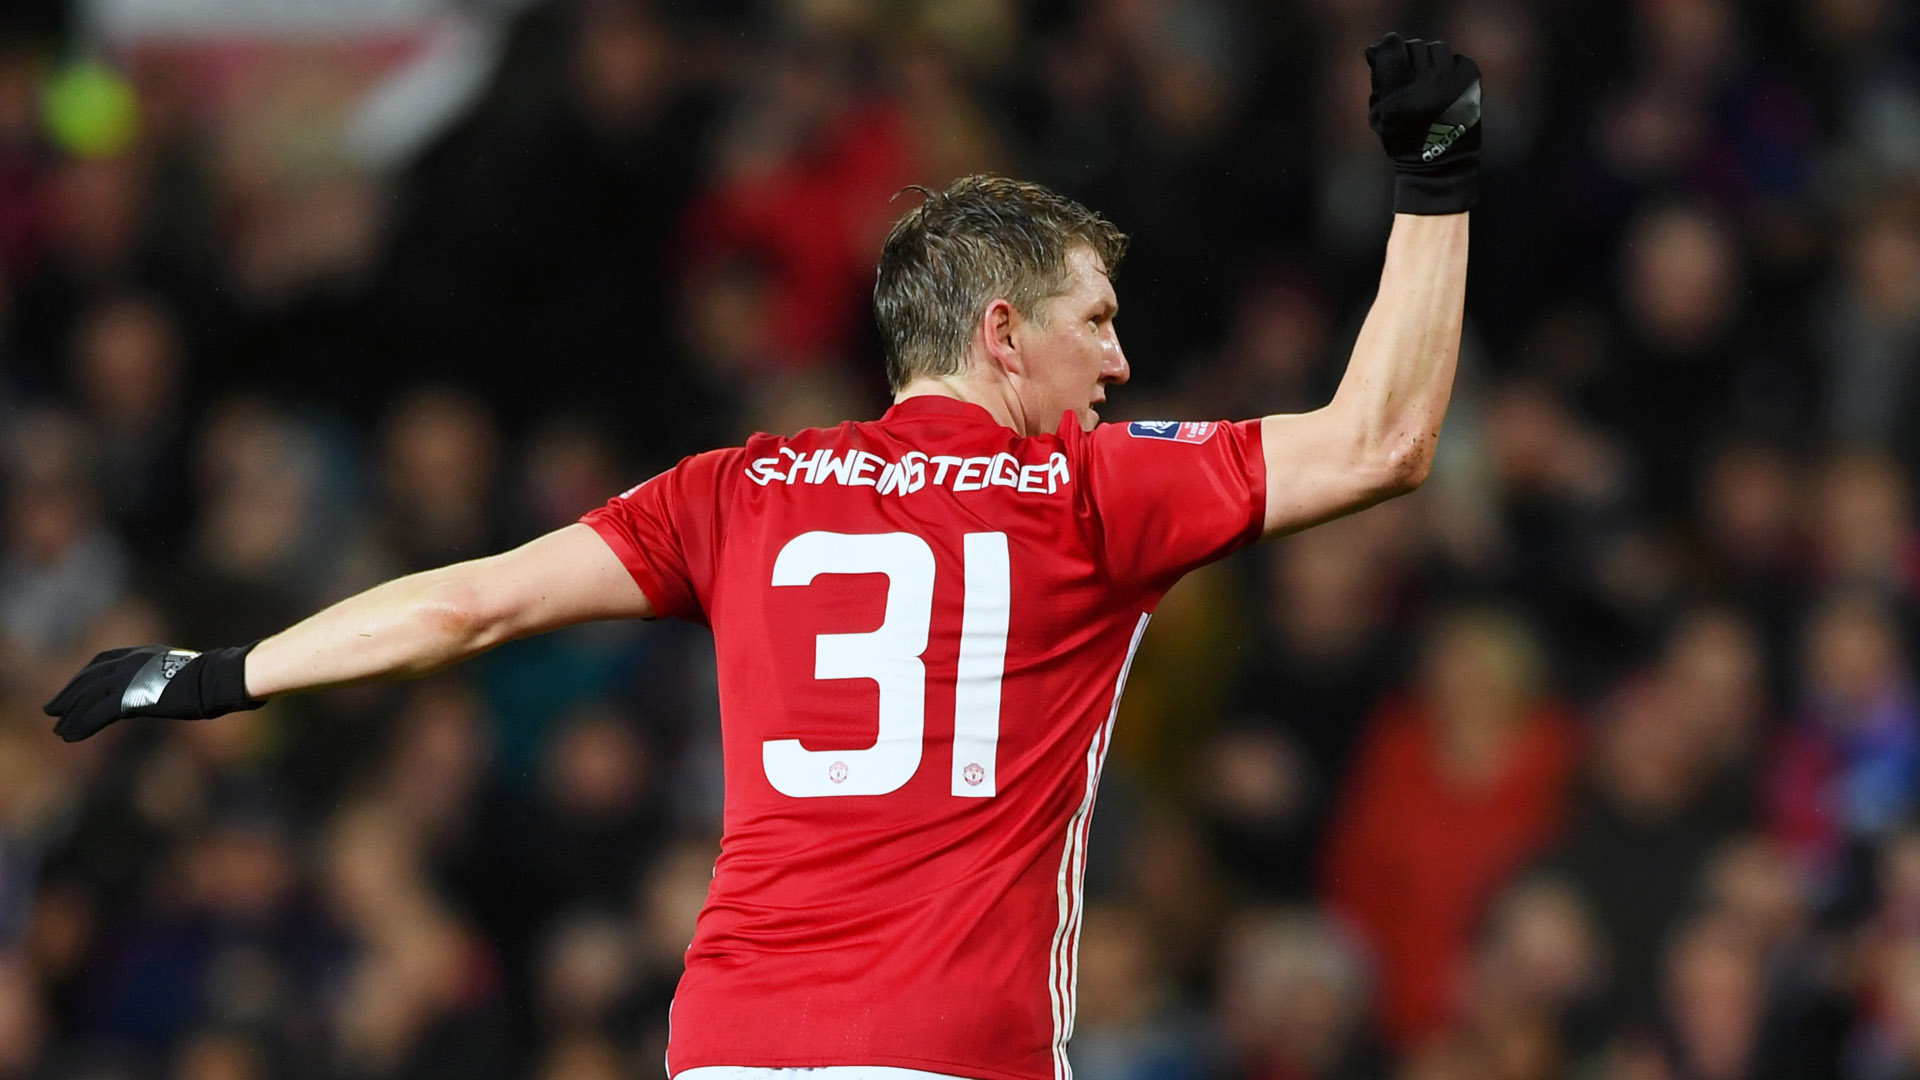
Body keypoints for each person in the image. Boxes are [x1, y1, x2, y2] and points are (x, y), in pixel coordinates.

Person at [43, 34, 1480, 1080]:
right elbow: (1381, 441)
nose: (1117, 361)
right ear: (998, 336)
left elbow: (471, 603)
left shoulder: (741, 491)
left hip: (730, 1045)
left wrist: (222, 671)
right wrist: (1433, 184)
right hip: (948, 1052)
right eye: (1094, 322)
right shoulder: (1088, 495)